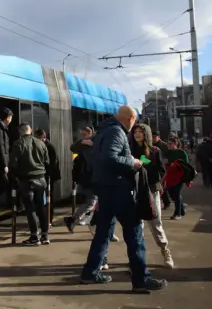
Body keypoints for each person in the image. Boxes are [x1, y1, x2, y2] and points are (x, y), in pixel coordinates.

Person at [80, 105, 167, 292]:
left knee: (103, 233)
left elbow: (99, 157)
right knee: (135, 234)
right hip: (119, 189)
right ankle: (141, 279)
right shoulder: (116, 132)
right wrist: (133, 162)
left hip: (105, 188)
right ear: (130, 118)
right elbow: (110, 158)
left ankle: (90, 273)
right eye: (135, 120)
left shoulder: (104, 130)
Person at [130, 124, 174, 269]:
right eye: (135, 132)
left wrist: (143, 165)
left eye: (140, 132)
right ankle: (137, 260)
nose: (137, 134)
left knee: (155, 223)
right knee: (136, 226)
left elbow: (161, 171)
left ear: (146, 134)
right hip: (133, 191)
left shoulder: (155, 150)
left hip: (150, 190)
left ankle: (165, 251)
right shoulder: (129, 150)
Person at [9, 122, 50, 246]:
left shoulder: (18, 144)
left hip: (26, 180)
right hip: (41, 178)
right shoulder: (41, 143)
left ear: (20, 132)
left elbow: (13, 164)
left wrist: (14, 176)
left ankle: (34, 236)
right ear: (30, 130)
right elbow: (47, 161)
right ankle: (45, 236)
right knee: (41, 207)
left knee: (30, 208)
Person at [35, 129, 61, 226]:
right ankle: (44, 218)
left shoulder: (50, 147)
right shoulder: (41, 145)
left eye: (38, 138)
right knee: (43, 197)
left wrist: (47, 174)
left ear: (42, 137)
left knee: (48, 197)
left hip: (49, 176)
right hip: (43, 175)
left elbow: (53, 163)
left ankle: (49, 219)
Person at [164, 136, 189, 220]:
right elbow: (165, 161)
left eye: (170, 143)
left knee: (177, 194)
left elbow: (186, 165)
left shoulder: (182, 153)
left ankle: (177, 214)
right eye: (168, 143)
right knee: (172, 194)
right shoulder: (168, 152)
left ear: (176, 143)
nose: (169, 145)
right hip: (170, 176)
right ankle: (182, 209)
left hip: (179, 176)